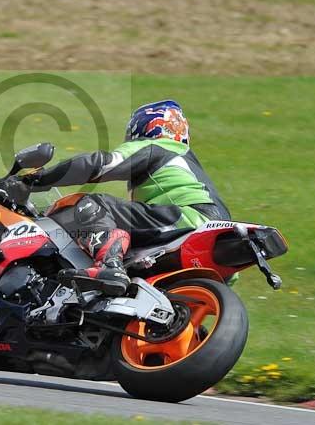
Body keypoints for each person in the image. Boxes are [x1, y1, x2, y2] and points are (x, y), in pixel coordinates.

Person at [21, 99, 232, 296]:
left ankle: (109, 265)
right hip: (215, 239)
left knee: (90, 203)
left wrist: (34, 179)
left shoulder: (157, 146)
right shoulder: (187, 164)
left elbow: (100, 164)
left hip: (187, 218)